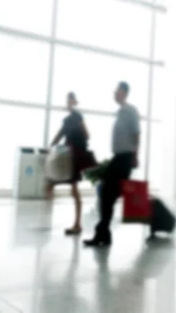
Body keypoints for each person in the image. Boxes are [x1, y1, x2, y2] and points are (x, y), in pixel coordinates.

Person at [84, 82, 140, 247]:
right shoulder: (120, 112)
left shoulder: (131, 111)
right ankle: (104, 234)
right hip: (118, 157)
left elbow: (136, 134)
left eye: (117, 91)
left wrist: (135, 155)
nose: (114, 94)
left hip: (125, 158)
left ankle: (102, 234)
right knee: (107, 196)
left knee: (107, 195)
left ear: (124, 92)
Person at [49, 92, 92, 235]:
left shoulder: (77, 117)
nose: (69, 103)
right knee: (70, 188)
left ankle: (77, 225)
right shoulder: (67, 120)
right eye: (67, 101)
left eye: (71, 100)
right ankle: (77, 224)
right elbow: (59, 135)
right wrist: (50, 147)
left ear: (75, 102)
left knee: (74, 189)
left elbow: (87, 135)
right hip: (68, 156)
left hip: (74, 156)